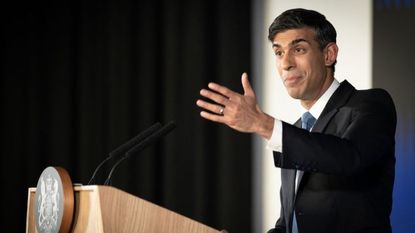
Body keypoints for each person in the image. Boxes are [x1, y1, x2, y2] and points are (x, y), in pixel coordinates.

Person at [196, 8, 396, 233]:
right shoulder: (294, 132)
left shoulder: (370, 103)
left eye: (298, 49)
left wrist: (263, 124)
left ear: (329, 54)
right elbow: (287, 226)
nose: (286, 63)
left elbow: (349, 158)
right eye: (279, 53)